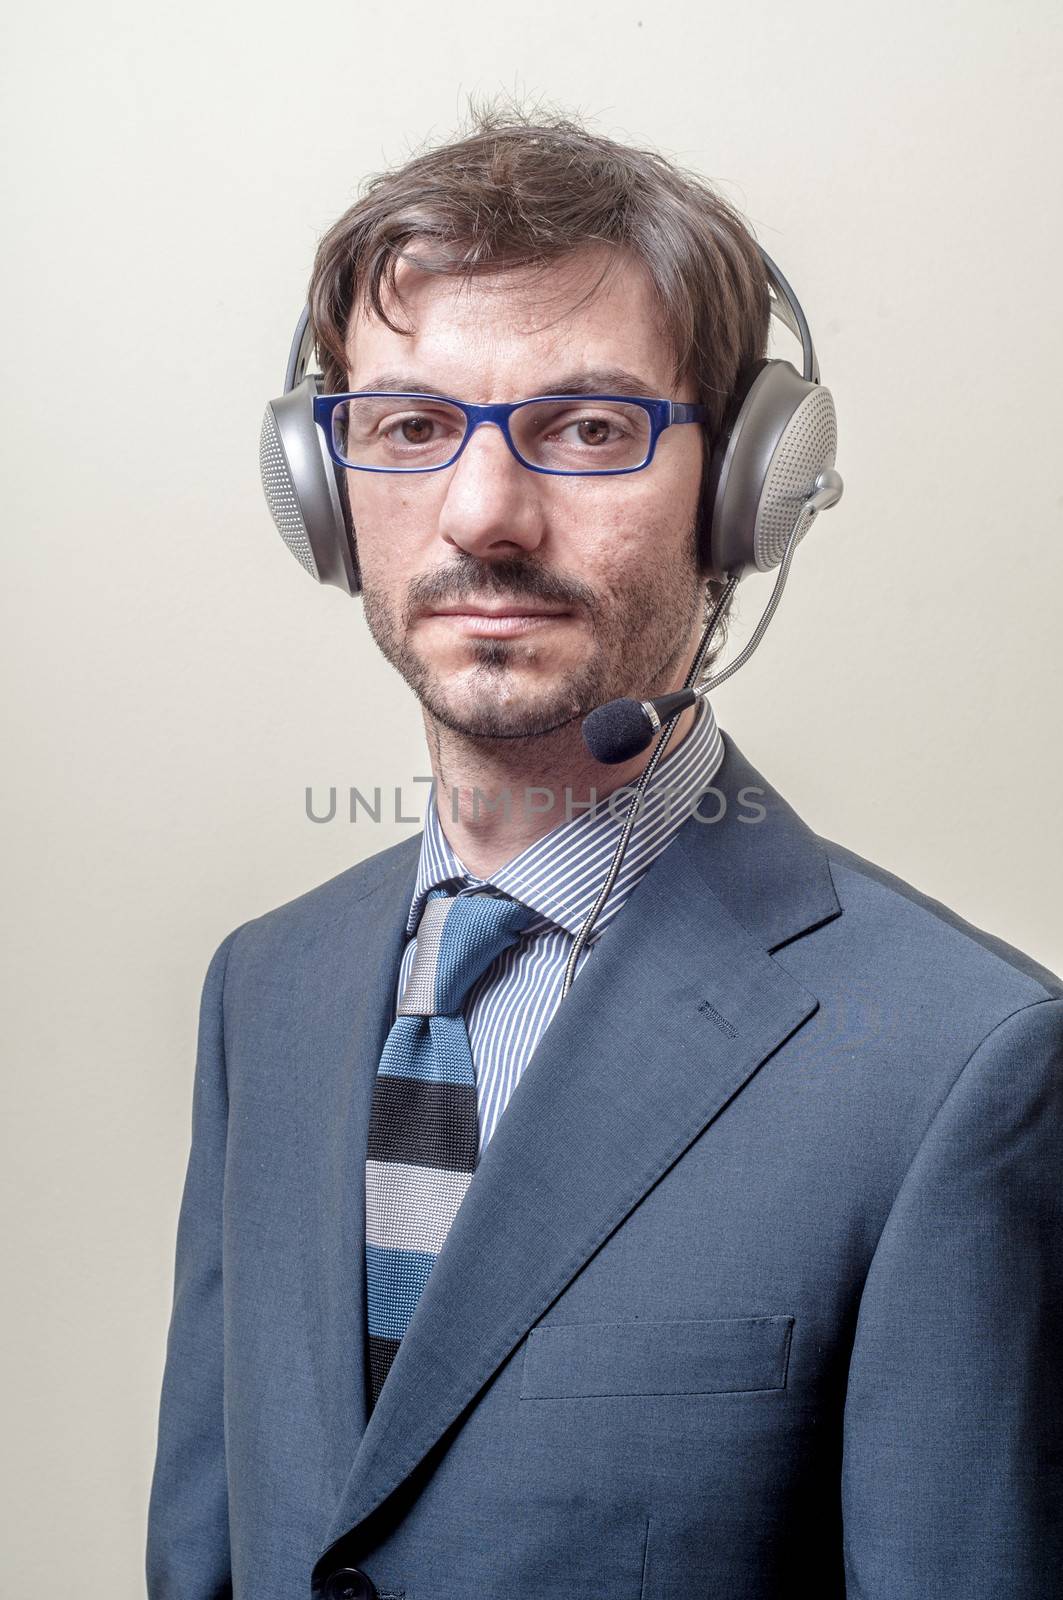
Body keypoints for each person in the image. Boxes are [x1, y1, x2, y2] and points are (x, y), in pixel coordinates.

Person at [147, 108, 1063, 1600]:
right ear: (323, 496)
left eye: (587, 429)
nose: (484, 514)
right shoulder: (265, 989)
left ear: (743, 495)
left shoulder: (966, 1066)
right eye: (410, 427)